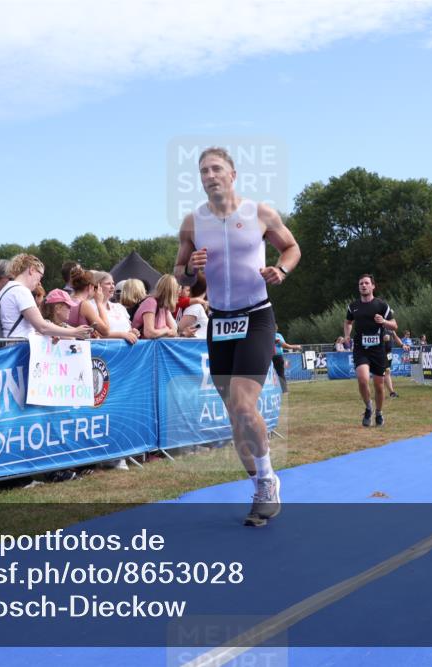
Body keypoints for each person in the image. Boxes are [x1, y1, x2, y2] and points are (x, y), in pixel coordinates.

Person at [174, 146, 300, 528]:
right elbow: (179, 274)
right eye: (203, 171)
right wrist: (189, 271)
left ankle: (266, 483)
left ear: (233, 174)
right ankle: (258, 482)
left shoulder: (260, 213)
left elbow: (291, 248)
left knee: (246, 407)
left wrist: (282, 270)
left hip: (257, 317)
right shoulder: (192, 223)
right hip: (221, 322)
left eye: (216, 169)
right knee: (235, 416)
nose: (209, 176)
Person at [344, 274, 397, 427]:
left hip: (378, 351)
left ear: (373, 286)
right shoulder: (353, 306)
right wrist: (347, 335)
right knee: (362, 379)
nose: (364, 285)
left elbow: (395, 325)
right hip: (361, 349)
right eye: (361, 283)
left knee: (379, 386)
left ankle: (379, 412)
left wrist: (384, 321)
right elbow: (348, 322)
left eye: (367, 283)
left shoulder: (381, 305)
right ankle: (368, 408)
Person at [0, 254, 91, 340]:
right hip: (19, 348)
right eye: (40, 276)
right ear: (32, 270)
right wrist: (74, 332)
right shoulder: (21, 291)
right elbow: (42, 327)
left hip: (11, 345)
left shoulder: (6, 289)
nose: (39, 282)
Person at [132, 274, 179, 339]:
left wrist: (162, 332)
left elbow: (174, 331)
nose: (179, 292)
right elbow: (149, 333)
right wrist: (166, 330)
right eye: (177, 290)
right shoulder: (151, 302)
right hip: (142, 346)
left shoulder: (164, 306)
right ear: (171, 292)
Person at [177, 274, 209, 339]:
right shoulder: (194, 307)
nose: (179, 291)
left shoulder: (195, 307)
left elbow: (177, 331)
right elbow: (177, 331)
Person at [272, 325, 302, 393]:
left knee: (277, 373)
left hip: (274, 356)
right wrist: (296, 346)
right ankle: (284, 390)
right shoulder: (277, 336)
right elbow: (285, 346)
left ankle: (283, 390)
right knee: (280, 373)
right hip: (274, 356)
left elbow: (284, 345)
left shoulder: (277, 335)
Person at [382, 329, 409, 398]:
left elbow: (396, 337)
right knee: (384, 371)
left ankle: (391, 393)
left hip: (389, 353)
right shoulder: (378, 326)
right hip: (380, 352)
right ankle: (387, 392)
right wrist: (381, 338)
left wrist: (403, 345)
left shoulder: (390, 328)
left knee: (387, 371)